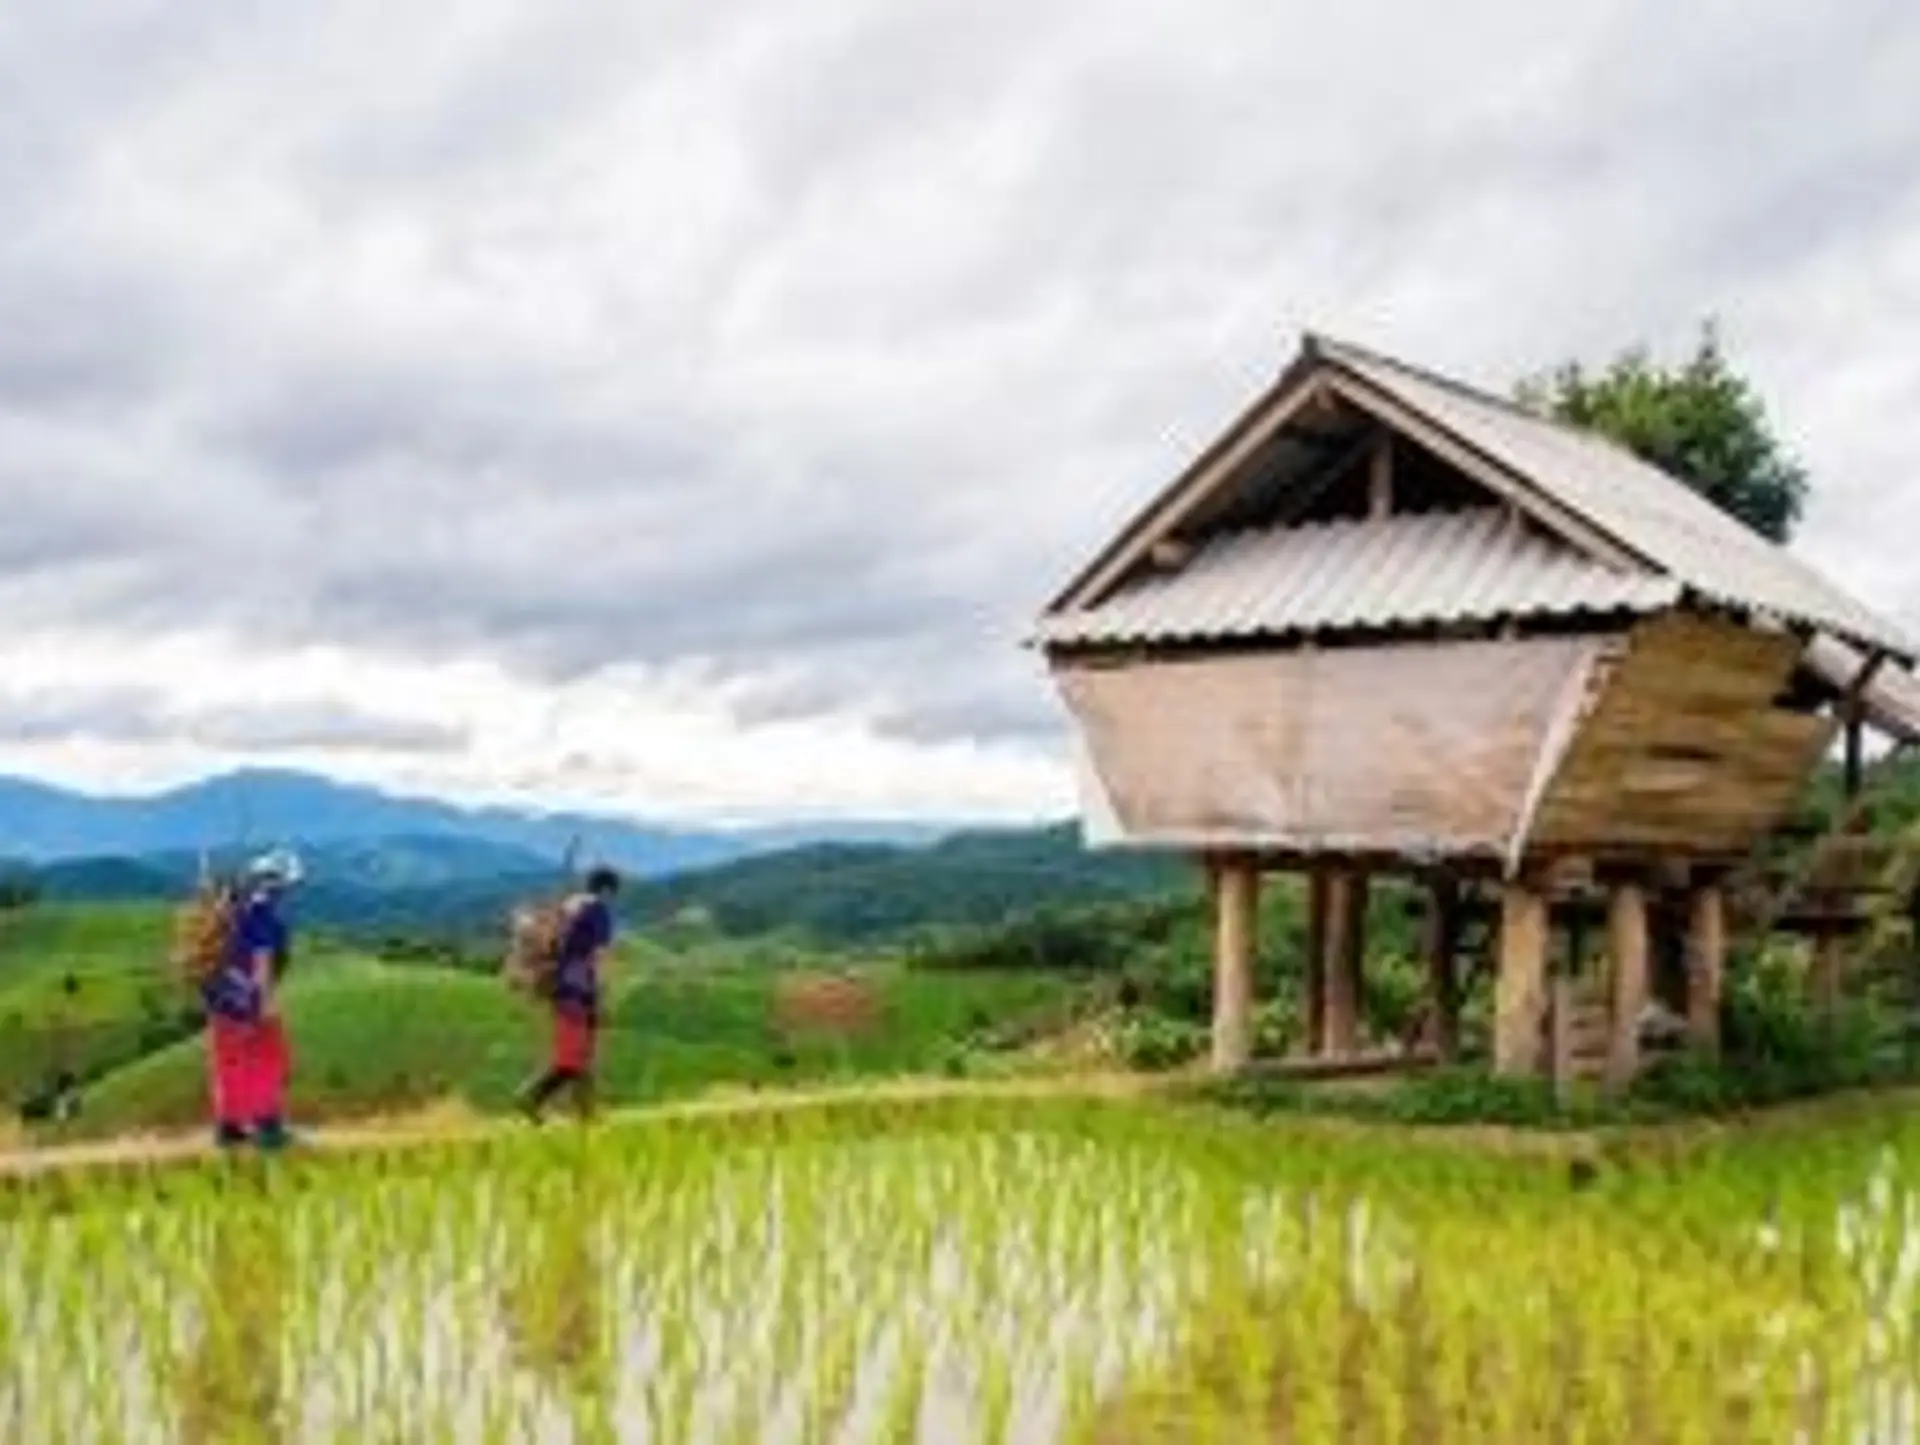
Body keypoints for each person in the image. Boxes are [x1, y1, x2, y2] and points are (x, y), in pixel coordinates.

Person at [204, 848, 302, 1151]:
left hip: (221, 998)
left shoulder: (235, 909)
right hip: (247, 1001)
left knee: (230, 1061)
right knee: (270, 1058)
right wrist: (262, 1009)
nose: (288, 890)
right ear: (277, 884)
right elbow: (262, 966)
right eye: (286, 884)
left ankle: (228, 1127)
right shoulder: (264, 918)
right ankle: (267, 1125)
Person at [517, 865, 620, 1123]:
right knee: (574, 1056)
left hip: (562, 986)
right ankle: (531, 1098)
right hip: (578, 988)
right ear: (606, 890)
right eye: (613, 892)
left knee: (579, 1053)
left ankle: (586, 1113)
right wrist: (602, 990)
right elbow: (599, 956)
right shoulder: (598, 911)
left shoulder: (570, 907)